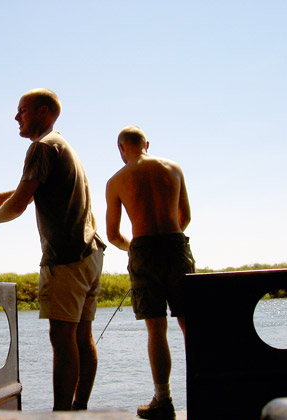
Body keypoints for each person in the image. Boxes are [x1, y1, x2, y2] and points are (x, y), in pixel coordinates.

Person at [0, 88, 106, 411]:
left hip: (66, 260)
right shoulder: (60, 145)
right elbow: (25, 189)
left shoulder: (41, 147)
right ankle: (79, 409)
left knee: (62, 340)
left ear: (43, 112)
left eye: (21, 111)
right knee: (83, 337)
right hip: (90, 255)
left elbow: (20, 203)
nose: (16, 117)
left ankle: (61, 414)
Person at [105, 125, 195, 419]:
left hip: (142, 248)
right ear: (146, 143)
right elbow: (186, 216)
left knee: (156, 328)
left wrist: (135, 248)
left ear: (121, 148)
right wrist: (170, 237)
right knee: (189, 323)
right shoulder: (173, 168)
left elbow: (113, 234)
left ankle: (163, 399)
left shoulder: (116, 180)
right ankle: (205, 389)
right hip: (176, 244)